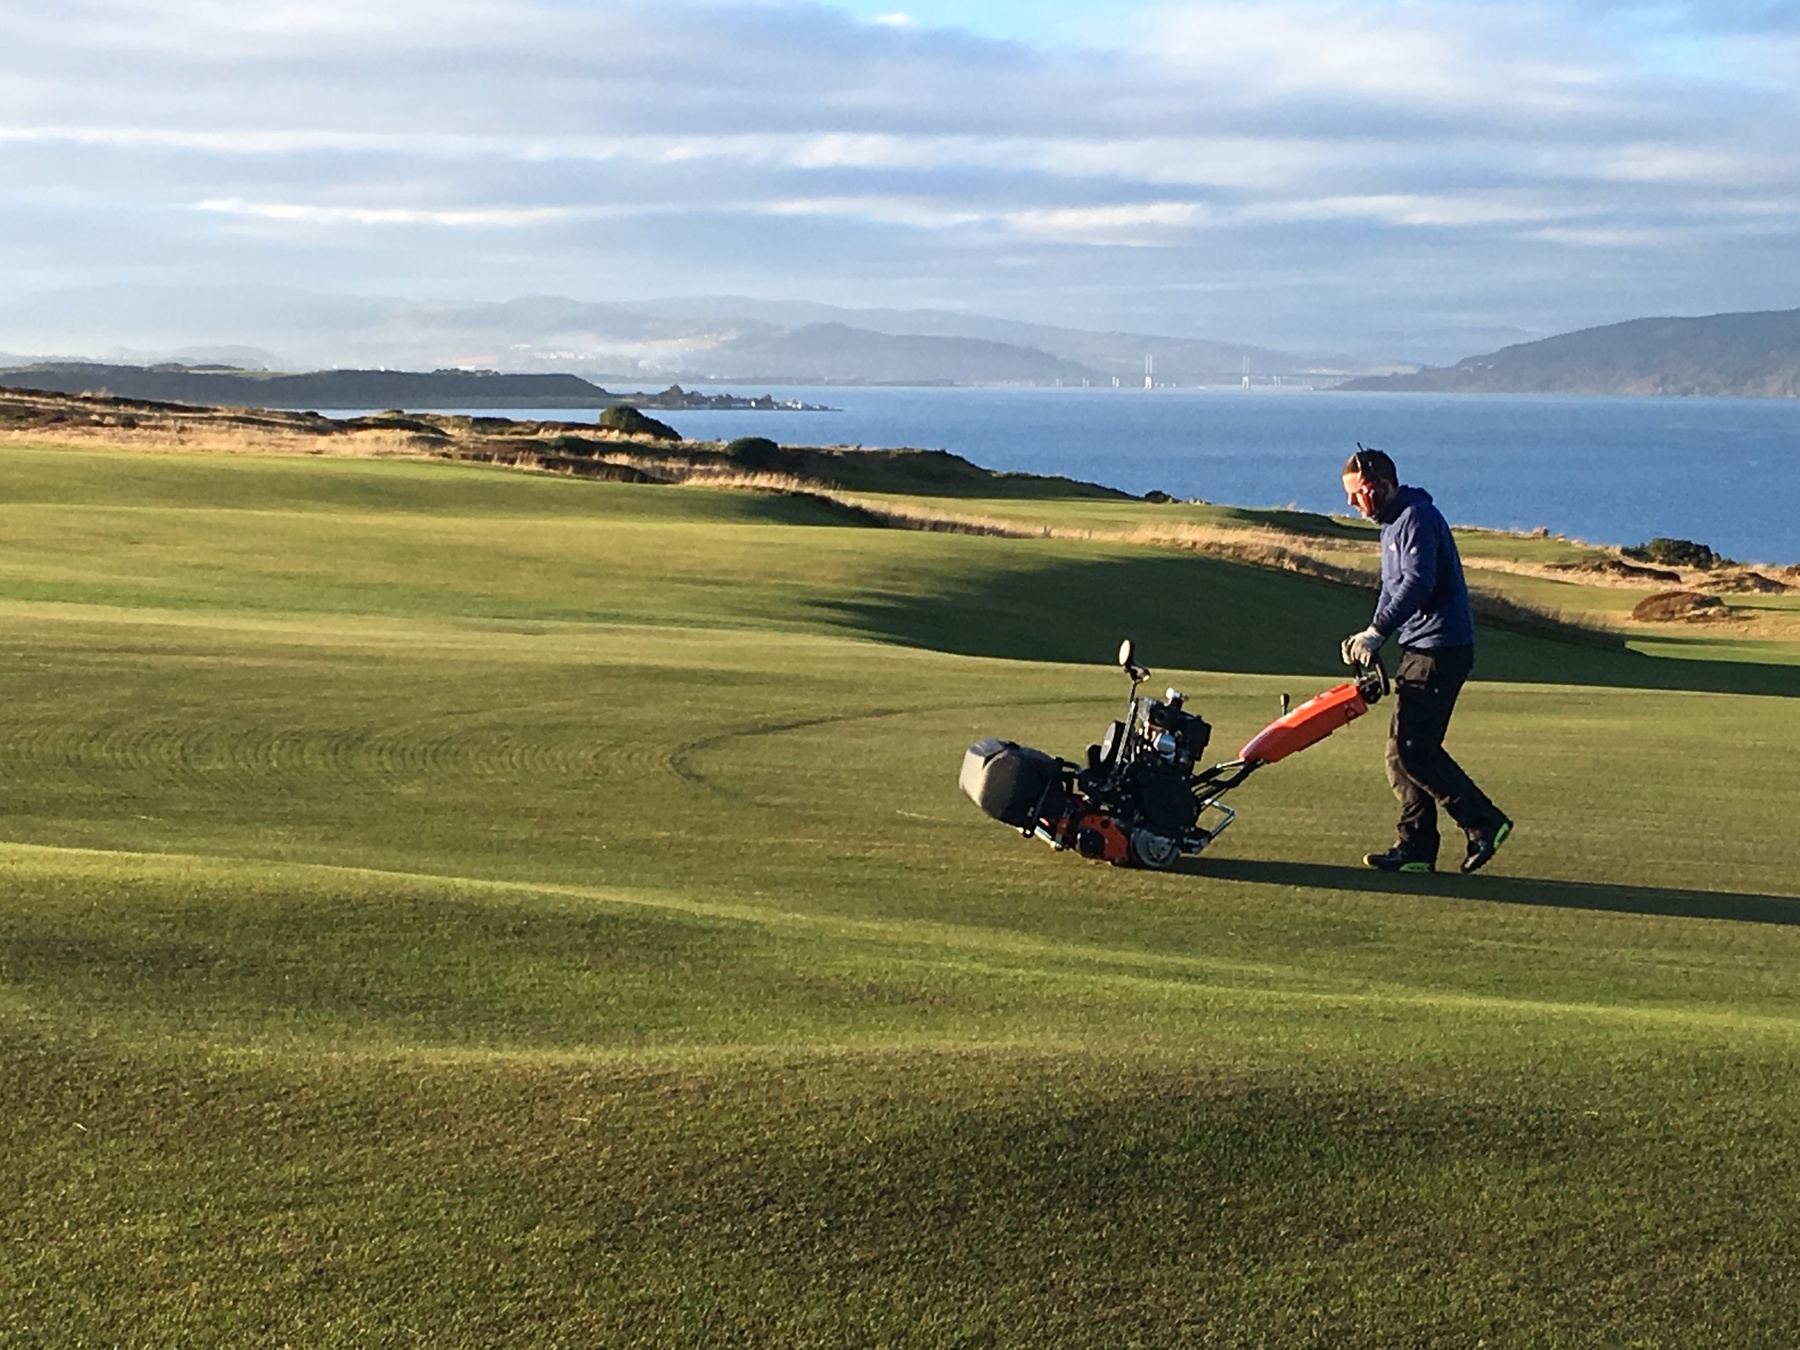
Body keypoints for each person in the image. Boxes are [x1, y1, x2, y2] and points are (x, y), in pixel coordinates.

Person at [1339, 446, 1512, 874]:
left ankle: (1484, 822)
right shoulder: (1392, 526)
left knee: (1416, 750)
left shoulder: (1417, 517)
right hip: (1419, 646)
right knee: (1400, 753)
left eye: (1357, 494)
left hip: (1441, 647)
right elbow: (1391, 588)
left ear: (1379, 487)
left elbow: (1418, 582)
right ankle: (1416, 846)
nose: (1351, 503)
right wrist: (1371, 632)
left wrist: (1379, 632)